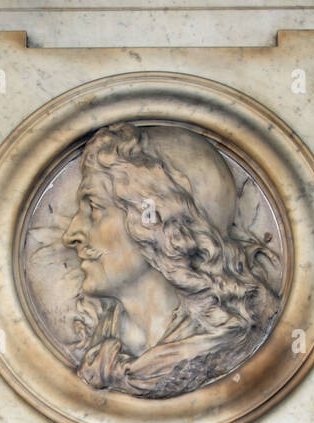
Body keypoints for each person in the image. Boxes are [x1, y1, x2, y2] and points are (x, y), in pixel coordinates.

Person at [62, 122, 280, 398]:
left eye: (93, 207)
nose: (70, 235)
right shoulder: (100, 349)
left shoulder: (225, 344)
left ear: (161, 225)